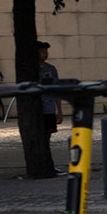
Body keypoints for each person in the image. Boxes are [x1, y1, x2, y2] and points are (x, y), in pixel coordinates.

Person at [35, 41, 64, 174]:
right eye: (42, 51)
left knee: (47, 137)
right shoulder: (31, 70)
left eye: (46, 52)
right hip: (37, 110)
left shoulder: (51, 69)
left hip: (49, 109)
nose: (45, 54)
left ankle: (47, 165)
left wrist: (59, 111)